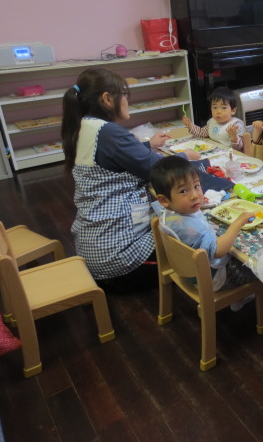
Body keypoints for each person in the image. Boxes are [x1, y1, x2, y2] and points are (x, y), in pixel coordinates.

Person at [61, 67, 198, 291]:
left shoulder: (82, 125)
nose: (127, 101)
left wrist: (148, 145)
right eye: (125, 94)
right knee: (193, 228)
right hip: (120, 262)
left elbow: (116, 155)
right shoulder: (109, 132)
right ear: (107, 99)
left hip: (94, 250)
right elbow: (159, 170)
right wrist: (186, 156)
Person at [149, 156, 257, 293]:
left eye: (196, 186)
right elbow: (218, 251)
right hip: (213, 277)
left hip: (189, 272)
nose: (195, 195)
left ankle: (243, 298)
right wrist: (239, 222)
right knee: (259, 267)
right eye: (183, 191)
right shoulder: (189, 228)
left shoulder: (170, 214)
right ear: (164, 200)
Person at [182, 86, 245, 151]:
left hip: (229, 154)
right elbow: (202, 133)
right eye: (215, 107)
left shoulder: (236, 125)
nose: (218, 111)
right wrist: (190, 125)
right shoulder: (212, 121)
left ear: (233, 111)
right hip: (214, 151)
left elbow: (239, 148)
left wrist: (234, 137)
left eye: (223, 108)